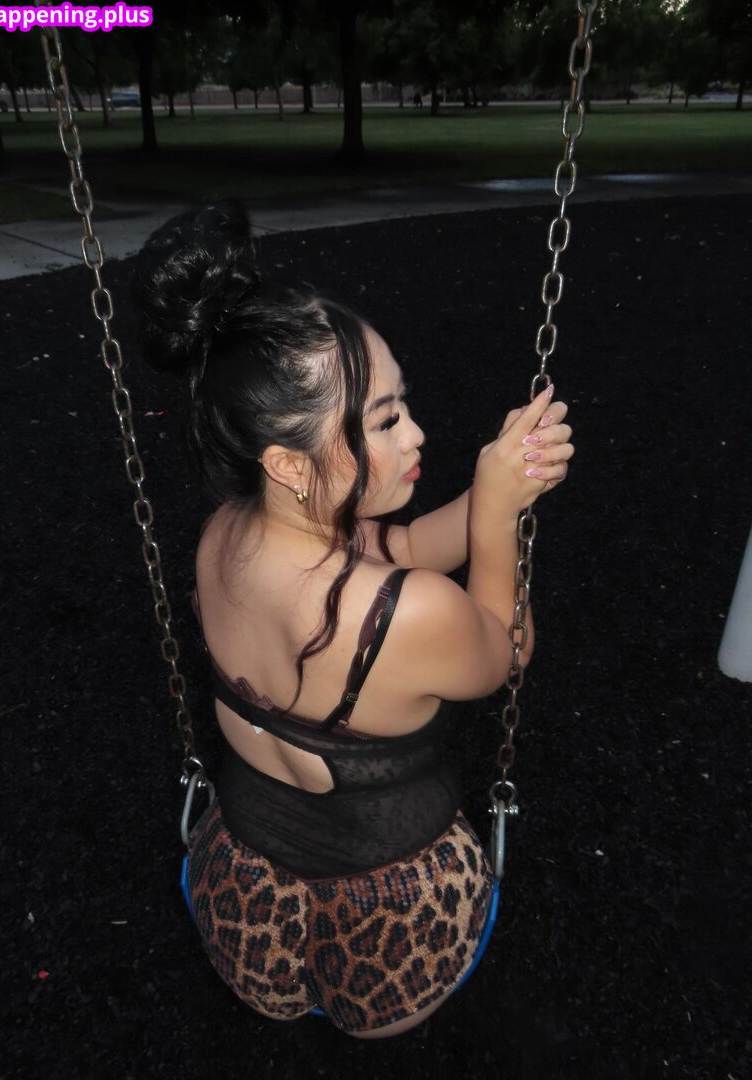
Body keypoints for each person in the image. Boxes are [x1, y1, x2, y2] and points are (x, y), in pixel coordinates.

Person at [133, 202, 574, 1039]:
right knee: (386, 1019)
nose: (418, 434)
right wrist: (496, 520)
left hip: (239, 891)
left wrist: (497, 480)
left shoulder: (226, 532)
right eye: (385, 420)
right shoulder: (409, 614)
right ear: (289, 463)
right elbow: (505, 648)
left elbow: (394, 543)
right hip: (394, 918)